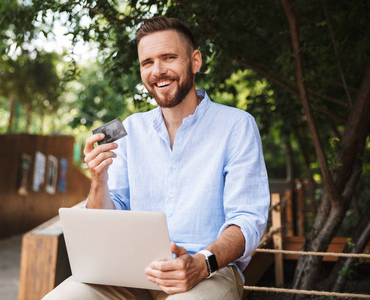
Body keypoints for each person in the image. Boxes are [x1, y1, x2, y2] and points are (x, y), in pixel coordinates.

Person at [43, 16, 270, 300]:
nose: (158, 71)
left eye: (169, 57)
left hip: (208, 272)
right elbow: (110, 216)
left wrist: (201, 264)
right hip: (130, 273)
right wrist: (99, 180)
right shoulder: (129, 129)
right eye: (147, 62)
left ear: (195, 61)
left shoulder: (237, 125)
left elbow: (247, 219)